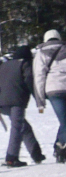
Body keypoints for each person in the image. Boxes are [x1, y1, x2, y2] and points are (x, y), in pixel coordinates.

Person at [0, 46, 46, 166]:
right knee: (17, 127)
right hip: (17, 100)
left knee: (23, 126)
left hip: (3, 102)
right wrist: (38, 98)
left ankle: (36, 154)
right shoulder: (25, 64)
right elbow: (29, 79)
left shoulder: (4, 65)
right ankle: (11, 157)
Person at [33, 29, 66, 163]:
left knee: (64, 121)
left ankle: (59, 147)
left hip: (53, 91)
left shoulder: (40, 54)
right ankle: (60, 148)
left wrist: (40, 100)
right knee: (65, 121)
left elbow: (39, 77)